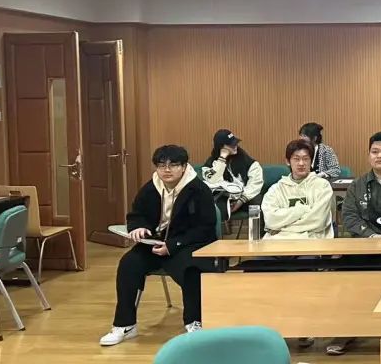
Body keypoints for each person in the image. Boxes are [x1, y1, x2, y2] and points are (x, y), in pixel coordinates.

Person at [100, 145, 217, 346]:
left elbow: (205, 228)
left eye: (173, 165)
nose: (167, 170)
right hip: (155, 243)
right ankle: (125, 325)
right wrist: (139, 227)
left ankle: (194, 322)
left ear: (184, 166)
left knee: (191, 270)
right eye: (161, 165)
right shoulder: (151, 188)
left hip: (188, 243)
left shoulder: (198, 190)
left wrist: (173, 245)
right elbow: (136, 215)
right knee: (129, 264)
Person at [261, 138, 335, 239]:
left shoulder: (322, 186)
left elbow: (318, 221)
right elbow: (270, 220)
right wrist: (302, 209)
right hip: (278, 242)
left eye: (305, 159)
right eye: (296, 159)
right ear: (288, 161)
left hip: (312, 241)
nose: (301, 163)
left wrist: (283, 227)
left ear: (311, 161)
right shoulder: (276, 190)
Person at [201, 129, 264, 218]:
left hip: (244, 197)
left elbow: (255, 184)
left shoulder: (248, 161)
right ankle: (221, 227)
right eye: (230, 144)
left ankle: (255, 227)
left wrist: (241, 200)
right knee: (215, 204)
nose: (235, 146)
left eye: (235, 143)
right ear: (220, 147)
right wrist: (222, 158)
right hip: (225, 197)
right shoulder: (210, 164)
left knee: (256, 202)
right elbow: (213, 180)